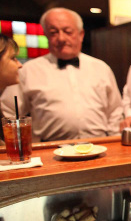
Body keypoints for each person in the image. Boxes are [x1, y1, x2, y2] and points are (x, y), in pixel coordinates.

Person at [0, 8, 123, 141]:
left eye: (67, 31)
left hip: (100, 145)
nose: (61, 38)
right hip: (49, 149)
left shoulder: (101, 68)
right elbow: (9, 113)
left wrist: (114, 142)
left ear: (81, 34)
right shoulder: (28, 70)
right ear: (46, 35)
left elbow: (114, 112)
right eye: (53, 33)